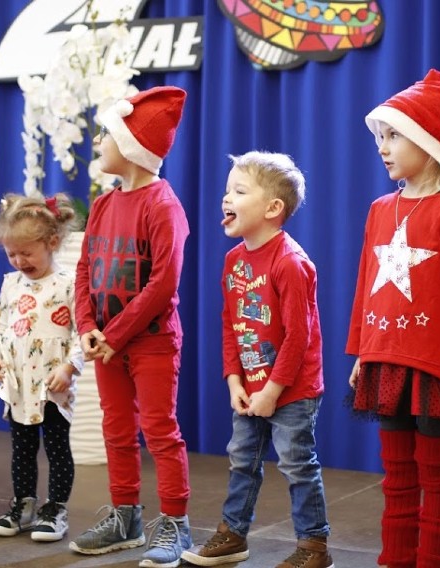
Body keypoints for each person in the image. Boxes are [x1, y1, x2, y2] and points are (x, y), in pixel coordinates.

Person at [346, 70, 440, 568]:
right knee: (396, 474)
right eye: (380, 137)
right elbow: (366, 286)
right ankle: (395, 559)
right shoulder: (379, 208)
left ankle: (433, 562)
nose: (383, 148)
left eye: (394, 136)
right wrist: (362, 350)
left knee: (436, 472)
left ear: (429, 143)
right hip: (386, 359)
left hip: (434, 365)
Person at [182, 151, 333, 568]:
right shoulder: (234, 262)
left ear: (272, 208)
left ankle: (314, 546)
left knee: (297, 464)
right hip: (250, 387)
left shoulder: (290, 263)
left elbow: (299, 339)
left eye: (239, 191)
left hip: (291, 390)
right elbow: (230, 322)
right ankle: (233, 534)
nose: (225, 198)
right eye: (227, 190)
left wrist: (273, 390)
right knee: (242, 460)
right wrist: (234, 379)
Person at [69, 86, 193, 568]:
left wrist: (115, 333)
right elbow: (83, 270)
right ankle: (126, 518)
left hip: (150, 342)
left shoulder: (163, 205)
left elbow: (163, 283)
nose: (99, 141)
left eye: (106, 134)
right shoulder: (102, 204)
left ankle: (175, 526)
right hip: (104, 344)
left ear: (133, 147)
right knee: (116, 430)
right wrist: (87, 327)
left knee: (160, 430)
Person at [0, 192, 82, 542]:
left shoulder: (69, 283)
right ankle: (23, 504)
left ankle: (55, 508)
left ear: (52, 242)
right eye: (12, 253)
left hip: (51, 385)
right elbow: (0, 325)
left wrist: (69, 369)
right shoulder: (11, 283)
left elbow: (81, 332)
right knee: (22, 448)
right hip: (19, 383)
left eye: (26, 252)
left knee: (57, 448)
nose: (18, 261)